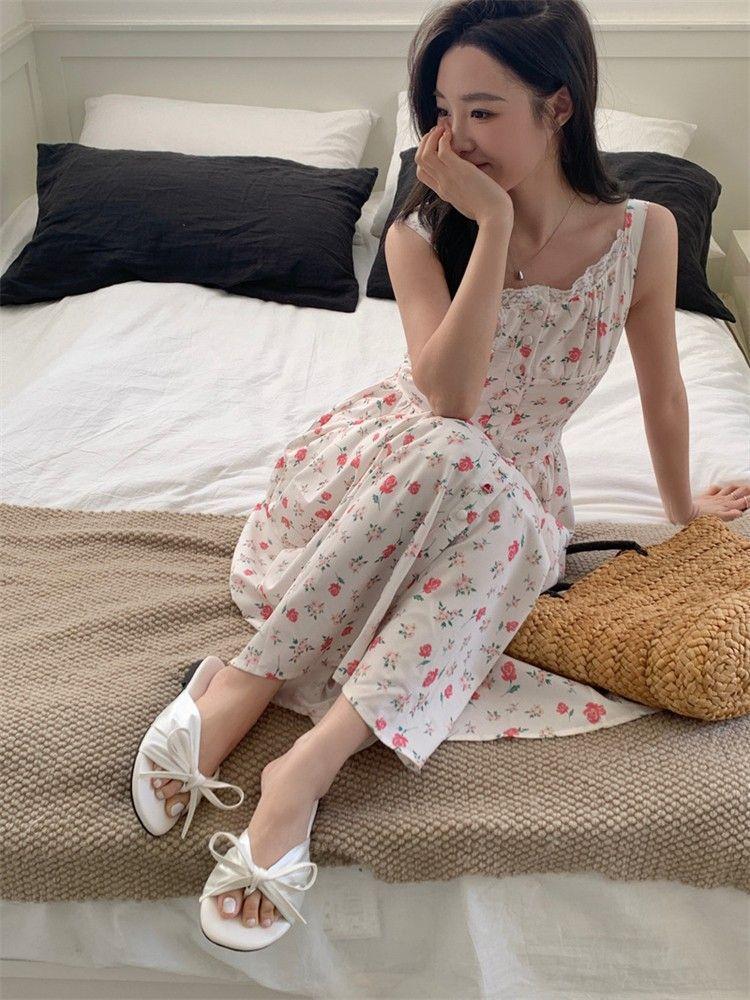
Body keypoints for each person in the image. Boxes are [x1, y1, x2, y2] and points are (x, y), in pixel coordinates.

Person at [142, 0, 750, 936]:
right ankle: (258, 701)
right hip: (392, 463)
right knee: (458, 446)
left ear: (559, 107)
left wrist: (682, 513)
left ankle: (294, 756)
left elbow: (664, 389)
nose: (456, 139)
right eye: (441, 112)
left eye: (483, 111)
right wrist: (494, 227)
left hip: (516, 499)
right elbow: (452, 400)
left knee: (494, 494)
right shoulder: (418, 235)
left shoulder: (645, 233)